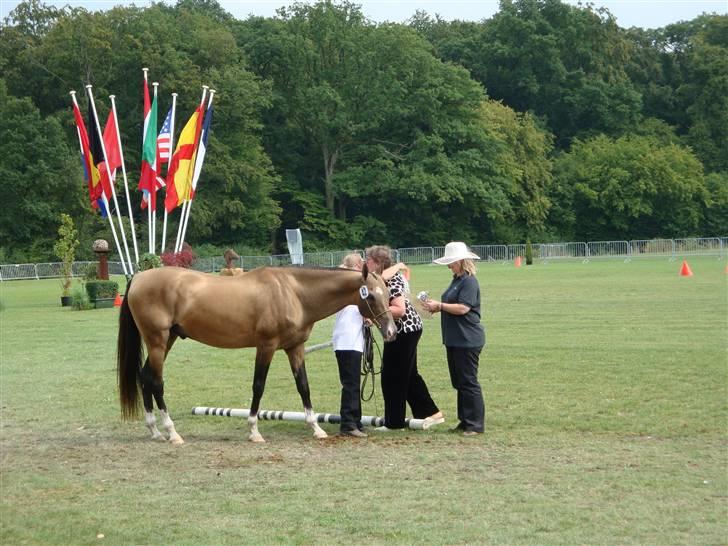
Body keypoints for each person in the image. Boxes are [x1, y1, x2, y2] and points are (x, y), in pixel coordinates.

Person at [365, 245, 443, 430]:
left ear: (378, 263)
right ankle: (431, 413)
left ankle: (394, 422)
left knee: (393, 376)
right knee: (409, 375)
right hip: (403, 330)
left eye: (368, 259)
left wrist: (372, 314)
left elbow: (400, 310)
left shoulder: (392, 279)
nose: (365, 262)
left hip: (405, 331)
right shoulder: (381, 278)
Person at [423, 242, 485, 436]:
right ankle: (465, 421)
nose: (449, 266)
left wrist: (440, 306)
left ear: (460, 261)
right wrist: (435, 307)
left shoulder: (469, 281)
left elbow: (463, 308)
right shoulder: (456, 279)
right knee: (459, 382)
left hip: (467, 339)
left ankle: (475, 424)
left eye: (451, 262)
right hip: (454, 339)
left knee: (468, 381)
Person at [332, 253, 368, 438]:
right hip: (348, 340)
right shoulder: (349, 284)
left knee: (353, 381)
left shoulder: (347, 285)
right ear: (356, 266)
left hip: (351, 339)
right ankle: (348, 423)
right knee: (350, 383)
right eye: (361, 264)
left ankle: (356, 420)